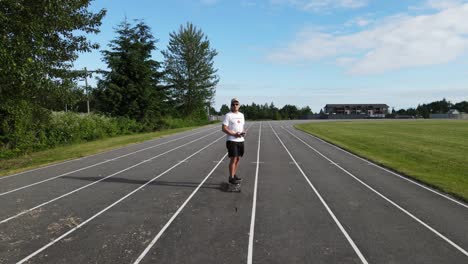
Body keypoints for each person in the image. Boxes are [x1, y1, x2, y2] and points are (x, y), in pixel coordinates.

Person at [222, 98, 245, 184]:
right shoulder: (228, 115)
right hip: (232, 140)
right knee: (233, 159)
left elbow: (242, 126)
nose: (235, 106)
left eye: (236, 104)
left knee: (238, 158)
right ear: (231, 105)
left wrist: (243, 132)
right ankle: (231, 177)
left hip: (241, 140)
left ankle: (234, 175)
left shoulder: (242, 115)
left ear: (239, 105)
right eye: (233, 104)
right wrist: (234, 134)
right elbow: (224, 128)